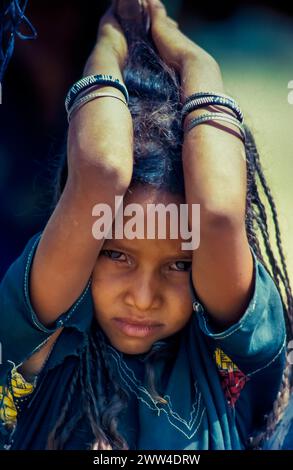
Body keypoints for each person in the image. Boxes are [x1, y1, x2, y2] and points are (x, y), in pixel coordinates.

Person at [0, 0, 292, 450]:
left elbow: (216, 214)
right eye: (116, 254)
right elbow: (101, 175)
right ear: (81, 243)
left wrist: (190, 56)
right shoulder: (44, 346)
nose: (142, 298)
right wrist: (108, 45)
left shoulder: (226, 359)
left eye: (178, 265)